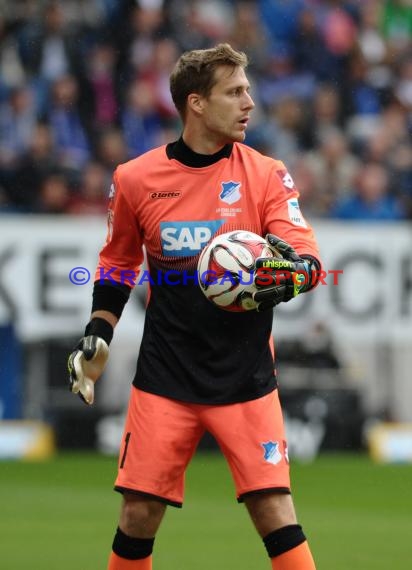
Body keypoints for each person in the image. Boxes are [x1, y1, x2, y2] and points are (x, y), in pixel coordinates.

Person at [68, 43, 321, 570]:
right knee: (138, 514)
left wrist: (269, 275)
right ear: (196, 104)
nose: (249, 102)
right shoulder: (135, 179)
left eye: (248, 90)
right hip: (166, 376)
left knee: (273, 508)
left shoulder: (268, 174)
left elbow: (308, 263)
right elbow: (117, 265)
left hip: (245, 376)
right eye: (235, 92)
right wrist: (98, 335)